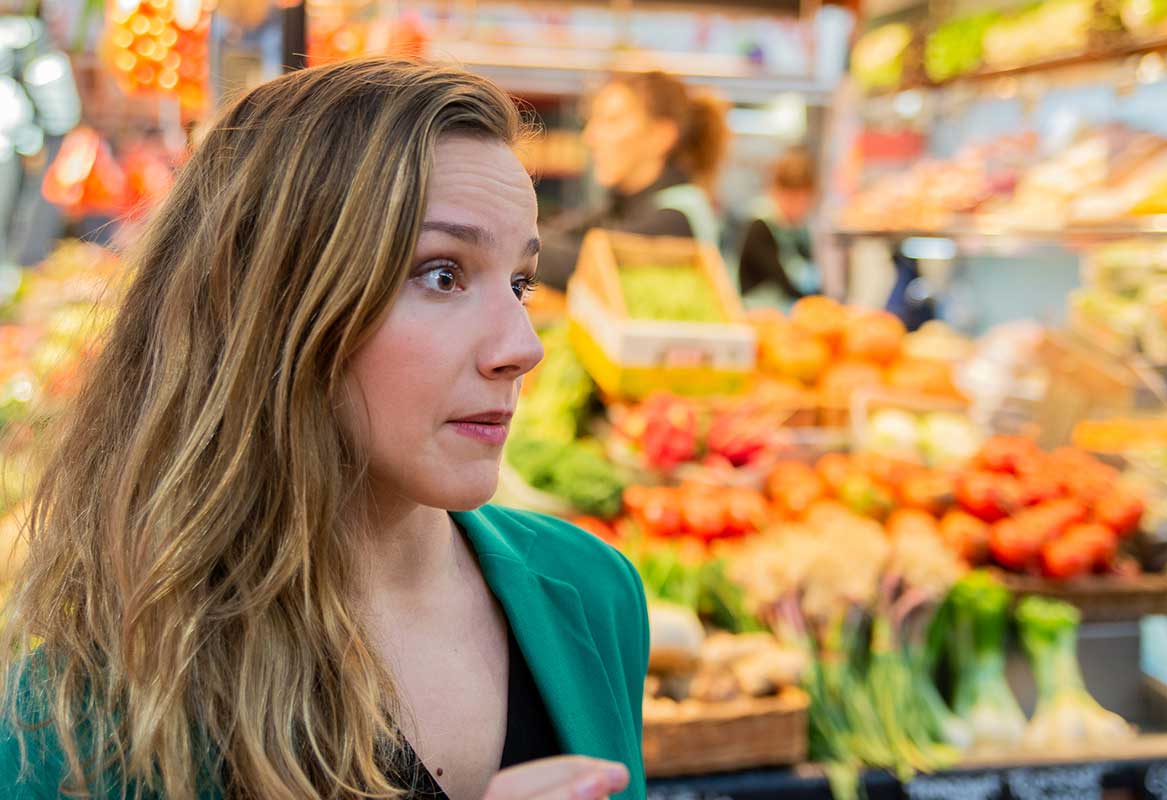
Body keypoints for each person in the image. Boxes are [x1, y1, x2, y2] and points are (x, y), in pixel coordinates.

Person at [0, 59, 648, 800]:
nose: (521, 347)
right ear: (274, 303)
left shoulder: (592, 595)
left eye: (519, 283)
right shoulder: (90, 703)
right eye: (442, 274)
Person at [537, 71, 729, 290]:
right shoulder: (621, 205)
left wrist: (514, 246)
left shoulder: (676, 216)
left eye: (611, 121)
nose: (590, 137)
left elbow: (584, 266)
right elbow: (554, 236)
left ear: (661, 136)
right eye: (592, 121)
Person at [737, 147, 822, 310]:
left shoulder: (800, 231)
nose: (796, 207)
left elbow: (810, 272)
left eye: (802, 201)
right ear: (776, 191)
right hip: (760, 312)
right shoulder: (761, 226)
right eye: (791, 199)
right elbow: (779, 278)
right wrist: (812, 304)